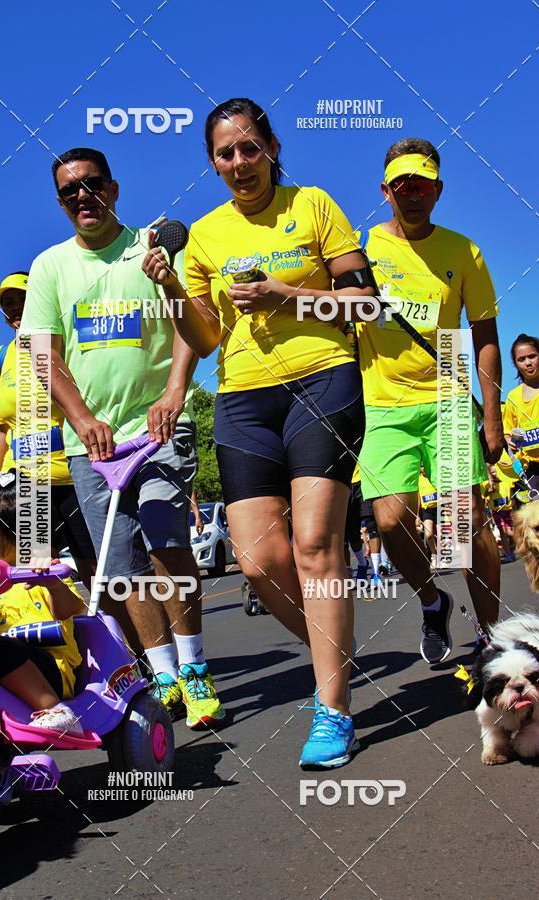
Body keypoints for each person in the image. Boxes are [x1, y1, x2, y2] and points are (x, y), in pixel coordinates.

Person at [143, 97, 376, 769]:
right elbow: (205, 333)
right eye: (226, 153)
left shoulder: (314, 205)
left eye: (250, 147)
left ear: (271, 146)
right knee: (255, 560)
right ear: (212, 163)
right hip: (244, 397)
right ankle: (338, 657)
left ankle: (333, 709)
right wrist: (170, 294)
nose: (240, 163)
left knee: (312, 545)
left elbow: (365, 304)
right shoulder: (207, 236)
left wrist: (284, 295)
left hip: (324, 378)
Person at [20, 147, 224, 729]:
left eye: (92, 185)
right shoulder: (50, 267)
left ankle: (195, 668)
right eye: (69, 192)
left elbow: (200, 334)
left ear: (113, 188)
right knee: (124, 565)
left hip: (158, 428)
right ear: (61, 203)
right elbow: (40, 350)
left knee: (166, 539)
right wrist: (81, 417)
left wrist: (173, 393)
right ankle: (162, 677)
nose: (82, 197)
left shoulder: (152, 248)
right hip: (94, 445)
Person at [356, 137, 504, 664]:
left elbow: (484, 335)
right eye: (402, 186)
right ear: (385, 191)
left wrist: (492, 414)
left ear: (437, 190)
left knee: (465, 523)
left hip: (447, 396)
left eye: (422, 185)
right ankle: (432, 600)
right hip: (383, 403)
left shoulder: (464, 251)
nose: (412, 194)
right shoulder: (361, 248)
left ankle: (491, 640)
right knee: (392, 522)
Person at [0, 270, 96, 588]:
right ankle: (52, 636)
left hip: (74, 477)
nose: (14, 308)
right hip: (25, 485)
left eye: (20, 299)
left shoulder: (65, 345)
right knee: (34, 571)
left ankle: (116, 636)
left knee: (95, 571)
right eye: (7, 303)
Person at [0, 476, 84, 734]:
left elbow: (65, 609)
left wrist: (52, 584)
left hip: (47, 675)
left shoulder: (41, 572)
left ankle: (58, 711)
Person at [503, 333, 539, 499]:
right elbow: (507, 431)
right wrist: (508, 440)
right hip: (532, 468)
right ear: (515, 364)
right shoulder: (513, 397)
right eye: (521, 359)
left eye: (532, 356)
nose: (528, 362)